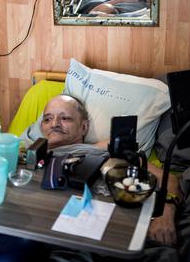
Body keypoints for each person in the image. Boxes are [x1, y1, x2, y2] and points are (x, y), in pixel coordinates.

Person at [22, 94, 180, 246]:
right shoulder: (24, 149)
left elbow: (169, 179)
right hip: (32, 220)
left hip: (93, 229)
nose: (54, 124)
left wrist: (165, 213)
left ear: (84, 127)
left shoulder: (107, 148)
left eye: (65, 118)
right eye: (47, 119)